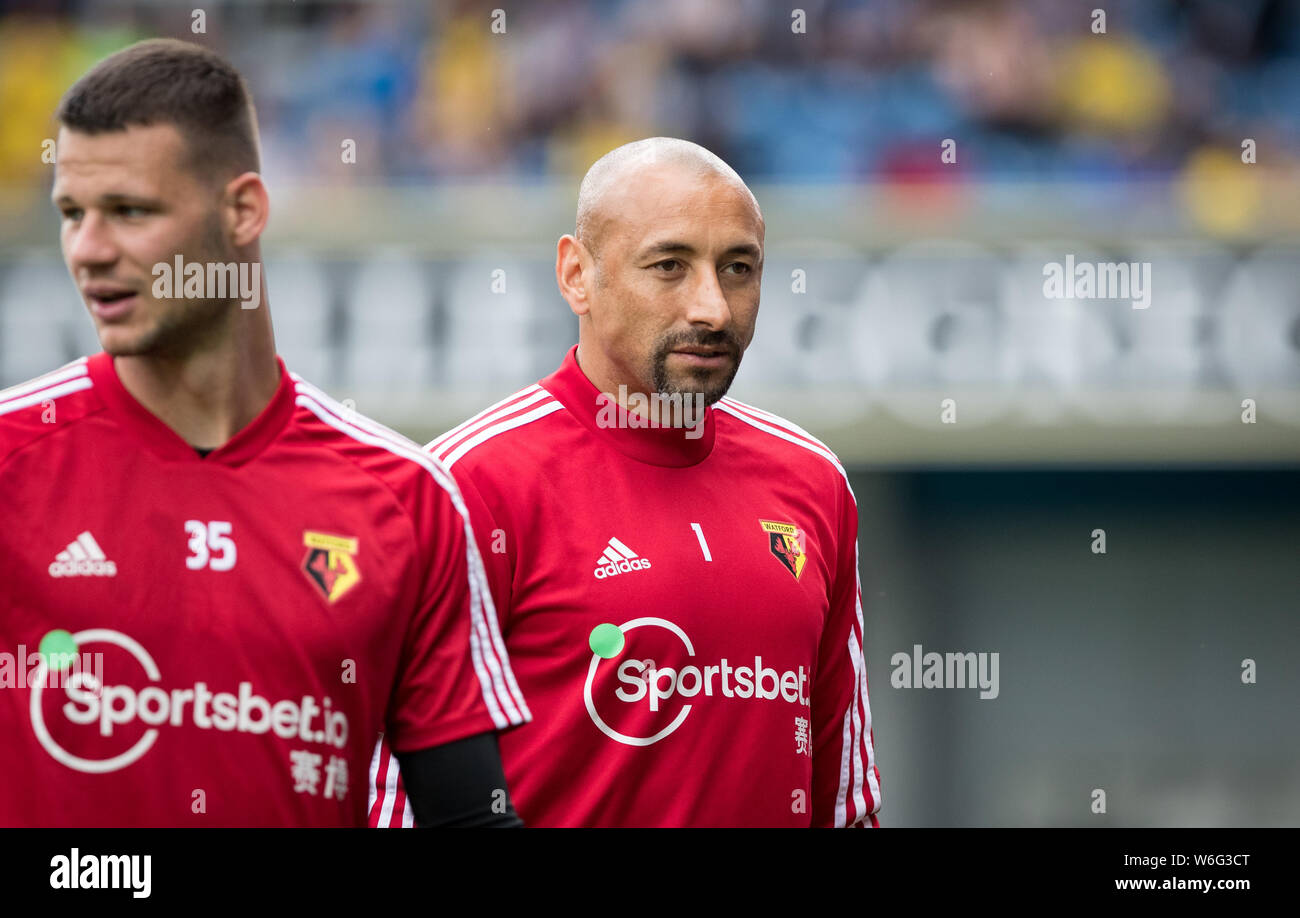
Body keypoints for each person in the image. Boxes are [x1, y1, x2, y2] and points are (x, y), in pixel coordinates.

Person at [0, 38, 529, 827]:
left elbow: (469, 819)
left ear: (242, 210)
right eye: (73, 215)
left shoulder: (405, 500)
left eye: (130, 212)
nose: (88, 250)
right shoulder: (13, 462)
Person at [371, 137, 881, 827]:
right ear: (577, 274)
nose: (713, 309)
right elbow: (391, 807)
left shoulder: (813, 482)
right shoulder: (464, 488)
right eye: (669, 266)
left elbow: (845, 804)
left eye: (738, 268)